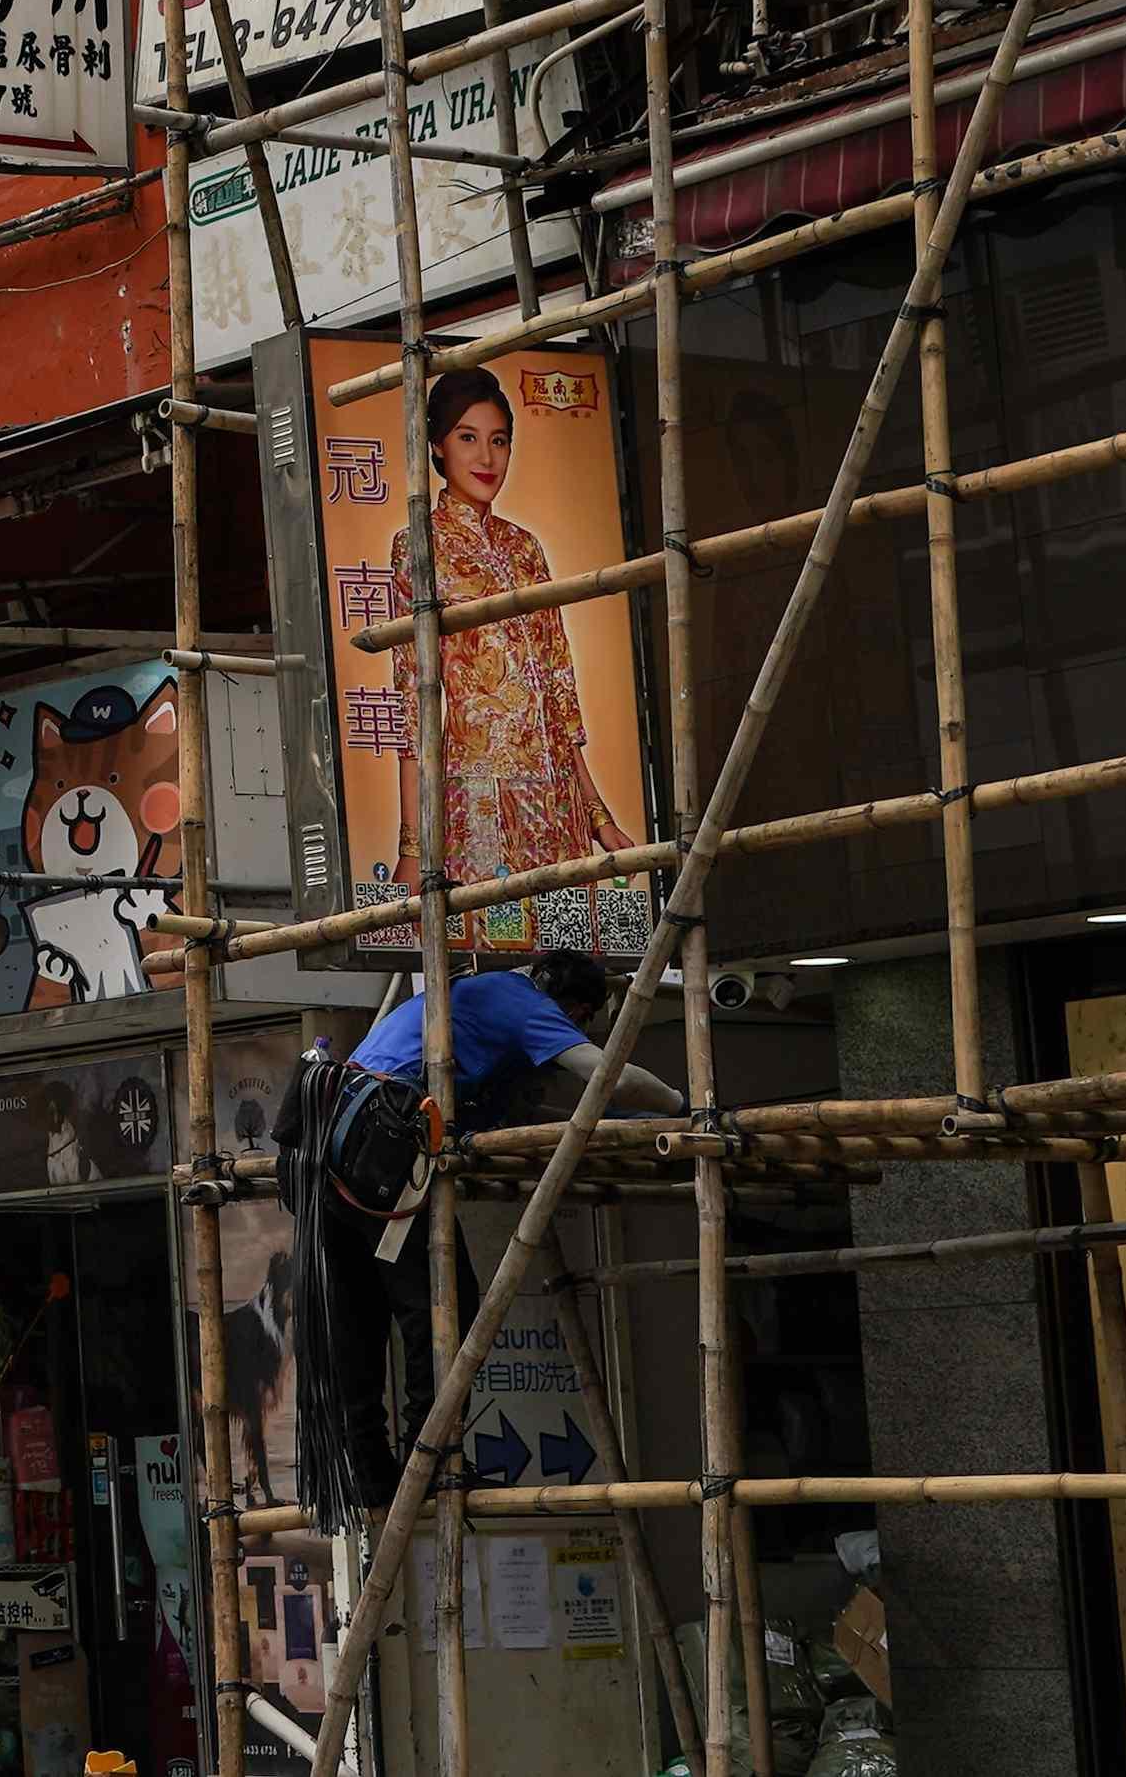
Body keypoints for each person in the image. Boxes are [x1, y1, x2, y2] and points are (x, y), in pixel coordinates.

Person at [287, 951, 676, 1516]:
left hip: (325, 1151)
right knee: (445, 1307)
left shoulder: (472, 996)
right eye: (579, 1017)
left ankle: (371, 1474)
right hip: (383, 1146)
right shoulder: (522, 1002)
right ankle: (430, 1458)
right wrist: (681, 1107)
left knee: (357, 1317)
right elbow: (608, 1074)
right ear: (573, 1004)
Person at [381, 368, 633, 955]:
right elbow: (414, 698)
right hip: (480, 803)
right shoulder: (418, 543)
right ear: (437, 446)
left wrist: (597, 816)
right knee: (491, 968)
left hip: (555, 801)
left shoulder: (525, 548)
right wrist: (414, 848)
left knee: (569, 972)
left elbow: (557, 689)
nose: (487, 456)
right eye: (467, 437)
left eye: (499, 439)